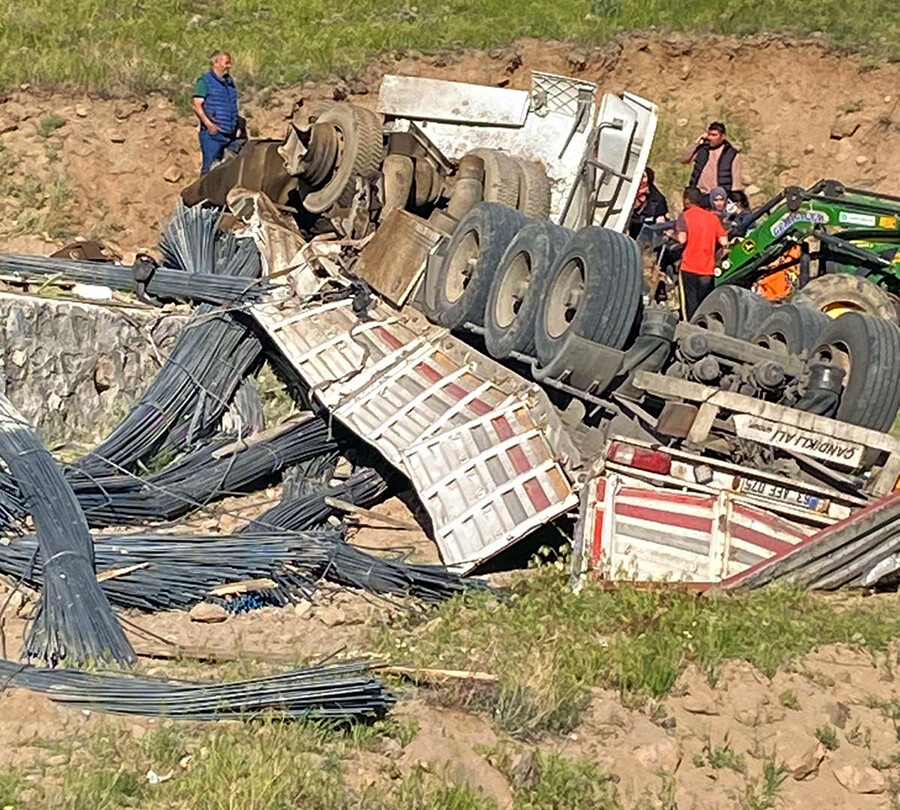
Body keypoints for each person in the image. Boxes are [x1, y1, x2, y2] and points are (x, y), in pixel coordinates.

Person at [675, 186, 730, 319]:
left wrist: (673, 234)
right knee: (704, 304)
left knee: (690, 306)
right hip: (707, 269)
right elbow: (723, 241)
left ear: (686, 200)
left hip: (689, 267)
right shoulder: (712, 218)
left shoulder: (685, 216)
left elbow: (682, 239)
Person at [192, 50, 244, 174]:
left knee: (231, 170)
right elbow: (196, 105)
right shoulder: (205, 81)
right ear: (216, 63)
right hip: (213, 135)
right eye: (226, 62)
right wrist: (209, 125)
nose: (229, 66)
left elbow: (232, 106)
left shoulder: (230, 83)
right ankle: (203, 193)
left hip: (230, 134)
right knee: (209, 171)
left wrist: (237, 126)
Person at [680, 121, 744, 204]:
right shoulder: (703, 149)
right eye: (709, 134)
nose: (710, 138)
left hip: (718, 198)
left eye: (714, 135)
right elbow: (685, 160)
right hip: (699, 195)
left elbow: (736, 181)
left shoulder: (731, 154)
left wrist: (734, 199)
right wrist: (697, 142)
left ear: (723, 136)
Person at [628, 167, 669, 240]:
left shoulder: (657, 199)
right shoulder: (628, 190)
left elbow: (660, 221)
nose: (641, 180)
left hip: (642, 234)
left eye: (643, 176)